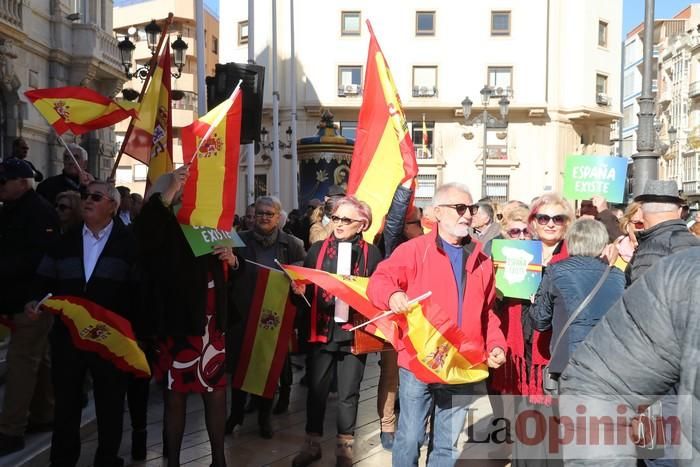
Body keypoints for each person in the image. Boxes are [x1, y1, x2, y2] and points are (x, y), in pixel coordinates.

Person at [366, 182, 506, 467]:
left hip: (460, 363)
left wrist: (496, 344)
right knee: (411, 436)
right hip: (419, 361)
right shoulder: (414, 250)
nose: (467, 215)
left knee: (446, 444)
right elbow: (379, 282)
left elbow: (488, 312)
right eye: (459, 208)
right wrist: (393, 295)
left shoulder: (482, 259)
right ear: (437, 213)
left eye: (471, 208)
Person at [26, 181, 137, 467]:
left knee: (110, 404)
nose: (87, 200)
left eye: (96, 197)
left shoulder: (129, 244)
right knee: (66, 405)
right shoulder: (64, 241)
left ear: (112, 206)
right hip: (68, 338)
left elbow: (141, 290)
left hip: (110, 339)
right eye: (86, 196)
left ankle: (107, 459)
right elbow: (43, 279)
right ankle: (62, 461)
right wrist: (34, 300)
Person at [559, 249, 700, 467]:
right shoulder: (683, 274)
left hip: (601, 356)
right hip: (629, 364)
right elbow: (600, 386)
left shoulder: (559, 271)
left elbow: (540, 317)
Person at [134, 166, 235, 467]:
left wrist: (233, 260)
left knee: (215, 391)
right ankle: (173, 461)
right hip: (178, 321)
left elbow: (232, 268)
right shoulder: (162, 224)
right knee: (175, 393)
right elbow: (144, 234)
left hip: (211, 322)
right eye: (183, 189)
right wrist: (167, 191)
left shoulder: (210, 223)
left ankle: (219, 459)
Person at [292, 196, 383, 467]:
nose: (338, 224)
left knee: (349, 392)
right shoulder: (316, 249)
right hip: (321, 331)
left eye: (346, 219)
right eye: (336, 218)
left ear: (362, 225)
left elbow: (378, 293)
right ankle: (312, 445)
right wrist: (298, 290)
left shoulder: (372, 254)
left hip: (354, 333)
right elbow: (303, 289)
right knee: (317, 390)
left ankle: (344, 448)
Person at [226, 196, 306, 438]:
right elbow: (233, 270)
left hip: (273, 315)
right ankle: (236, 414)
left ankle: (264, 417)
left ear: (278, 217)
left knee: (268, 367)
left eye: (269, 213)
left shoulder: (292, 244)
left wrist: (298, 282)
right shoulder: (239, 240)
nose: (263, 217)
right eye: (259, 212)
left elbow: (301, 277)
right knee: (241, 366)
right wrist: (232, 263)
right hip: (243, 312)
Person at [0, 159, 59, 456]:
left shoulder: (38, 212)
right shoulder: (13, 210)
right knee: (37, 359)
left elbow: (38, 262)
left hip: (31, 302)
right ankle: (44, 414)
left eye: (4, 181)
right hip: (20, 299)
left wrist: (34, 299)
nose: (1, 186)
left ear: (22, 183)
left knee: (21, 364)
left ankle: (11, 430)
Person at [529, 219, 625, 381]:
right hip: (607, 361)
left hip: (568, 361)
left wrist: (536, 302)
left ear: (571, 242)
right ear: (602, 244)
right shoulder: (617, 275)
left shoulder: (556, 271)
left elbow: (540, 321)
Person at [626, 180, 699, 285]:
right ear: (680, 211)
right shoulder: (694, 242)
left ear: (642, 212)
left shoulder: (651, 248)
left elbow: (639, 298)